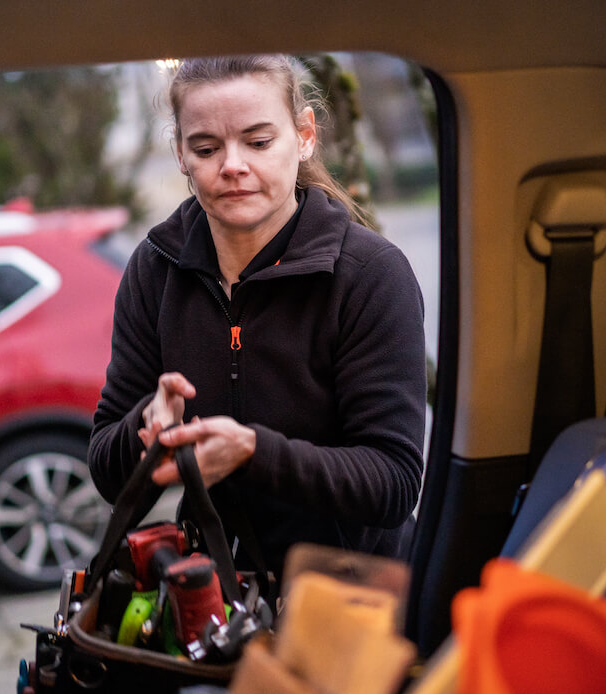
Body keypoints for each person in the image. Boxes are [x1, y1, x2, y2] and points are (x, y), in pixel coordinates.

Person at [88, 54, 427, 578]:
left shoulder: (370, 274)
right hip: (211, 602)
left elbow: (393, 483)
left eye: (259, 141)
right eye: (206, 148)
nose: (232, 165)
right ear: (181, 153)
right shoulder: (155, 269)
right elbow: (107, 472)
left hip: (347, 607)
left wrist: (253, 453)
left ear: (306, 135)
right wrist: (146, 431)